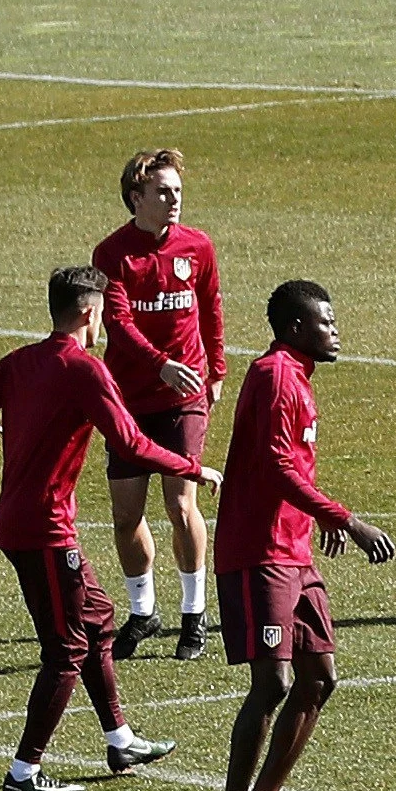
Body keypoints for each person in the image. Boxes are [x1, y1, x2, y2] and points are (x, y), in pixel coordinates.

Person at [0, 267, 211, 791]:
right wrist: (192, 468)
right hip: (45, 529)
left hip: (20, 521)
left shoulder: (23, 360)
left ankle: (120, 739)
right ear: (91, 313)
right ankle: (25, 771)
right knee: (66, 649)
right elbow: (132, 445)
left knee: (98, 619)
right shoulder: (85, 370)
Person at [205, 281, 394, 791]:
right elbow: (275, 466)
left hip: (294, 550)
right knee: (274, 683)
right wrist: (347, 519)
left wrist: (319, 521)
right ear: (294, 329)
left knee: (318, 678)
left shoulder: (296, 377)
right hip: (258, 552)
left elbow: (292, 470)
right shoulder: (274, 376)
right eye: (325, 322)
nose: (335, 331)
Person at [92, 148, 224, 661]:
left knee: (180, 504)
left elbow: (211, 306)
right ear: (136, 198)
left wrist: (215, 370)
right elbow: (118, 325)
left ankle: (195, 615)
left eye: (178, 192)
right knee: (126, 515)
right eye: (163, 193)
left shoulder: (199, 245)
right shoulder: (112, 253)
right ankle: (143, 612)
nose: (174, 201)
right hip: (129, 397)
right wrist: (159, 365)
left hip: (185, 394)